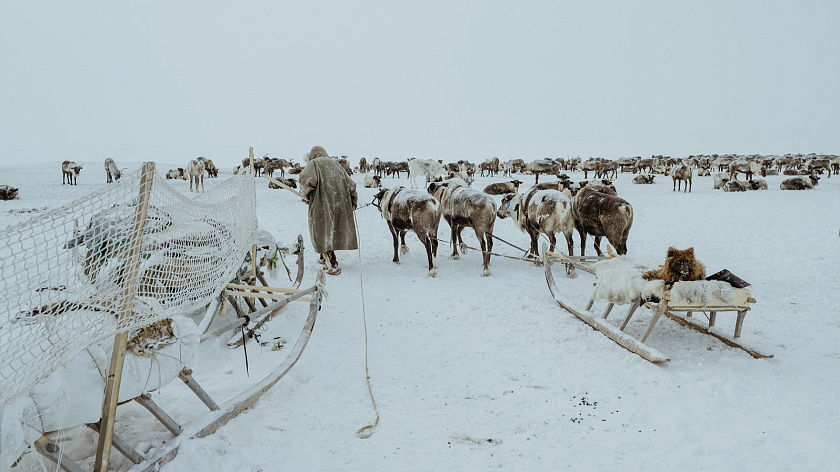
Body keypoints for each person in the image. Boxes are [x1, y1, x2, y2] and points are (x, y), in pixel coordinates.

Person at [298, 146, 358, 275]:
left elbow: (304, 181)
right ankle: (322, 256)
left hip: (321, 205)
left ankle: (332, 264)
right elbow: (351, 185)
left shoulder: (313, 164)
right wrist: (353, 202)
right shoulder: (337, 165)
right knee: (332, 231)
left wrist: (306, 196)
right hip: (339, 205)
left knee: (322, 231)